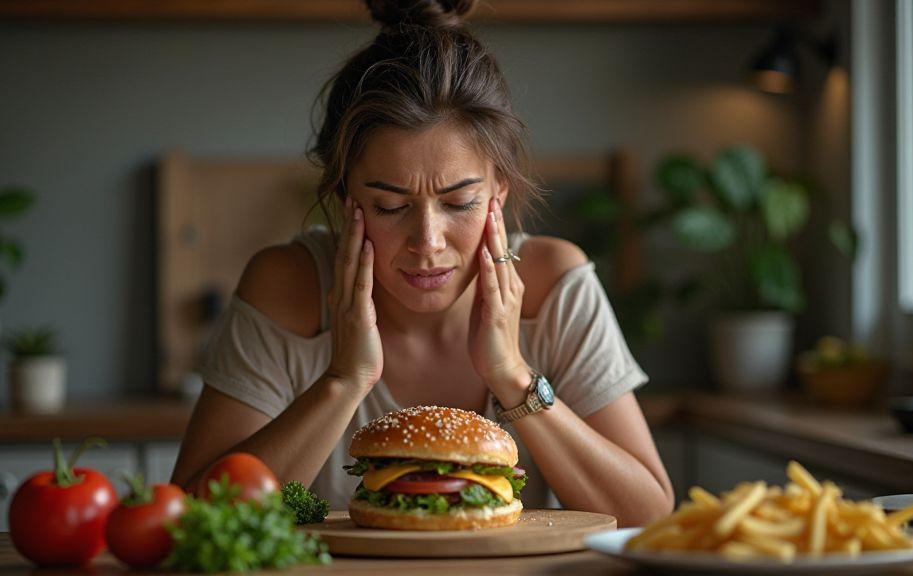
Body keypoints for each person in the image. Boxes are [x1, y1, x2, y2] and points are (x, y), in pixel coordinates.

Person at [171, 0, 674, 526]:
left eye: (460, 203)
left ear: (498, 192)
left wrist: (512, 376)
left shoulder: (554, 285)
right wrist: (343, 380)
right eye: (390, 207)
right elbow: (190, 515)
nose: (428, 241)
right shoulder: (287, 288)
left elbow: (648, 510)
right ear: (347, 198)